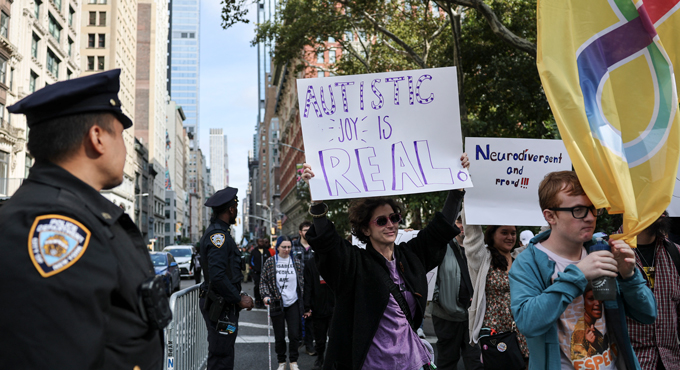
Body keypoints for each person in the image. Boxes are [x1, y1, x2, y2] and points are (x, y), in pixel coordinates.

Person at [0, 69, 167, 369]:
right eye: (121, 135)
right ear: (97, 138)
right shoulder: (55, 225)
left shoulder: (75, 211)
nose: (126, 150)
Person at [301, 153, 469, 370]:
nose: (390, 224)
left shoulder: (410, 256)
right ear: (364, 229)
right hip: (373, 364)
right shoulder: (355, 263)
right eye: (381, 220)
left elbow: (440, 230)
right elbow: (327, 244)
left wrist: (457, 188)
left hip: (413, 363)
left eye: (394, 218)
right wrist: (317, 202)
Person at [509, 170, 657, 370]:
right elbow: (528, 322)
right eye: (578, 210)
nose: (589, 217)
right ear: (550, 216)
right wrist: (577, 276)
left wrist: (629, 276)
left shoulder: (602, 249)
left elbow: (648, 314)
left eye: (593, 208)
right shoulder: (528, 262)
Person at [198, 187, 255, 370]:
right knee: (221, 356)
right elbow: (218, 275)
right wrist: (238, 299)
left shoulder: (222, 233)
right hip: (220, 306)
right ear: (231, 209)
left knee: (224, 353)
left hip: (223, 304)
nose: (236, 210)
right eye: (235, 207)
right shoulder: (218, 236)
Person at [462, 213, 530, 364]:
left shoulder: (521, 257)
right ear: (492, 235)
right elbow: (472, 235)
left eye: (513, 233)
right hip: (496, 334)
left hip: (523, 330)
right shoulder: (483, 259)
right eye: (504, 232)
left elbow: (544, 238)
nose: (510, 237)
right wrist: (468, 199)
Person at [626, 211, 680, 370]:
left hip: (671, 362)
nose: (662, 209)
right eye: (654, 199)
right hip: (630, 362)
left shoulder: (675, 253)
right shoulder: (609, 252)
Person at [431, 215, 483, 370]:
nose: (463, 225)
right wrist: (439, 299)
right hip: (446, 316)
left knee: (475, 361)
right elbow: (430, 276)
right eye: (459, 221)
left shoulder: (479, 249)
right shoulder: (440, 246)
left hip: (472, 317)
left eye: (466, 221)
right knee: (447, 360)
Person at [260, 236, 304, 370]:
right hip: (276, 303)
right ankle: (281, 362)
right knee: (279, 336)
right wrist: (265, 295)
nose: (286, 249)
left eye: (289, 247)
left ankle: (293, 361)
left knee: (294, 334)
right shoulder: (270, 262)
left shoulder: (296, 262)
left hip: (293, 303)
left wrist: (305, 303)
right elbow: (263, 281)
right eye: (283, 247)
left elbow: (302, 282)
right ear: (277, 247)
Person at [303, 253, 335, 370]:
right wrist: (307, 307)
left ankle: (332, 361)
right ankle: (320, 358)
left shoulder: (335, 261)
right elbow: (307, 286)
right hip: (318, 308)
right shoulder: (310, 264)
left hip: (334, 307)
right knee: (320, 339)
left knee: (334, 337)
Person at [292, 220, 316, 355]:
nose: (307, 232)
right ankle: (298, 340)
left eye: (309, 229)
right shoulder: (293, 246)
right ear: (300, 232)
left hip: (312, 286)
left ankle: (309, 344)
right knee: (296, 314)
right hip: (296, 286)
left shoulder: (316, 246)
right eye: (305, 230)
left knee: (310, 315)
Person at [251, 238, 273, 308]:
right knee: (257, 286)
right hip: (257, 273)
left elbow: (270, 260)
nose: (261, 243)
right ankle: (257, 301)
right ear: (257, 242)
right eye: (260, 241)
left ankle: (263, 301)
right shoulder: (254, 251)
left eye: (262, 241)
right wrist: (255, 268)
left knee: (265, 287)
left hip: (265, 273)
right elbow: (251, 261)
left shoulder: (266, 251)